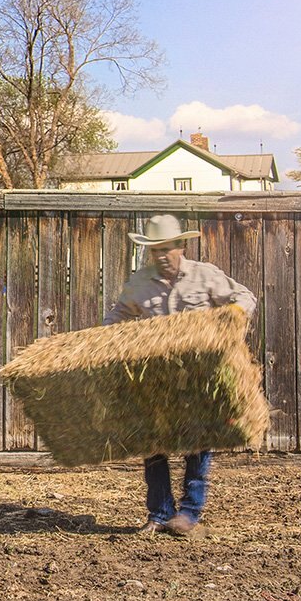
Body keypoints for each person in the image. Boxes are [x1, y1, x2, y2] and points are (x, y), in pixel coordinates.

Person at [103, 214, 256, 539]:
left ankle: (188, 513)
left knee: (198, 444)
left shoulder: (205, 276)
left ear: (180, 246)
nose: (161, 255)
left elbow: (245, 298)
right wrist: (107, 339)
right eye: (155, 249)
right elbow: (118, 315)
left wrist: (231, 318)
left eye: (167, 248)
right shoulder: (139, 283)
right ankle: (159, 513)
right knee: (153, 447)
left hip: (199, 377)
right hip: (157, 379)